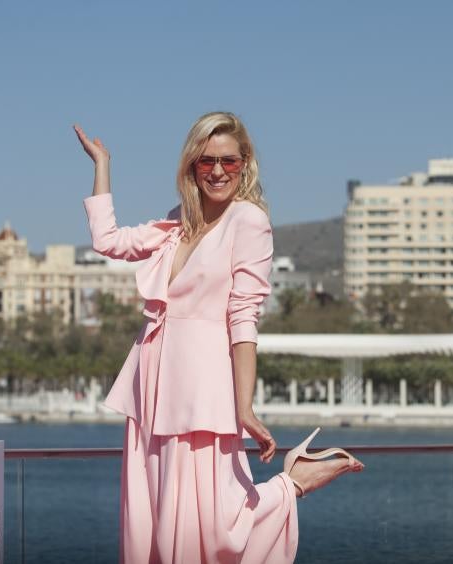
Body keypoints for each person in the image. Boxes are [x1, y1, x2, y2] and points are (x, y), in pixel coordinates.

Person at [74, 112, 363, 563]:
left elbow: (243, 319)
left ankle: (291, 485)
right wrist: (102, 165)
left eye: (229, 161)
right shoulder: (179, 220)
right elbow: (108, 240)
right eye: (206, 161)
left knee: (213, 525)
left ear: (245, 164)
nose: (217, 171)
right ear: (191, 166)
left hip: (202, 386)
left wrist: (243, 406)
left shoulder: (248, 220)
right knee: (149, 517)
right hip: (150, 383)